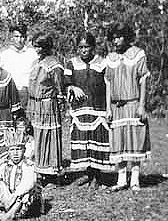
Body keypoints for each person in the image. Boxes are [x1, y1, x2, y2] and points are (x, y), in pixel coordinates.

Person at [64, 33, 114, 187]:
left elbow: (109, 86)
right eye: (81, 47)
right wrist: (73, 87)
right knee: (84, 140)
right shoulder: (71, 63)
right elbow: (65, 83)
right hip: (80, 109)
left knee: (96, 140)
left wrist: (108, 108)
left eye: (87, 47)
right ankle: (88, 174)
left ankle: (98, 176)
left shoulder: (103, 63)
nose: (84, 50)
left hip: (98, 108)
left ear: (92, 47)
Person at [105, 23, 151, 191]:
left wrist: (142, 105)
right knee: (119, 141)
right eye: (114, 38)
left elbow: (143, 80)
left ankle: (135, 179)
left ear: (126, 37)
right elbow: (108, 83)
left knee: (136, 139)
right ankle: (122, 178)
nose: (116, 41)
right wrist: (108, 108)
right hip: (116, 107)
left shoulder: (138, 54)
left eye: (120, 37)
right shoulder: (110, 58)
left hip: (133, 103)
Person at [27, 33, 66, 184]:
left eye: (39, 46)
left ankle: (50, 171)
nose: (36, 49)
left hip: (48, 104)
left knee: (48, 135)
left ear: (46, 47)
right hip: (35, 104)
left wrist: (61, 105)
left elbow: (59, 87)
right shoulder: (35, 63)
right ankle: (39, 169)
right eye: (35, 46)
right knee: (37, 135)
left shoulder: (54, 64)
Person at [0, 24, 39, 110]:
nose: (19, 40)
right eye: (16, 36)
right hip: (9, 93)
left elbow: (37, 74)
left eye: (22, 37)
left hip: (28, 93)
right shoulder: (5, 55)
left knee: (27, 120)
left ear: (25, 38)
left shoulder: (32, 54)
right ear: (12, 38)